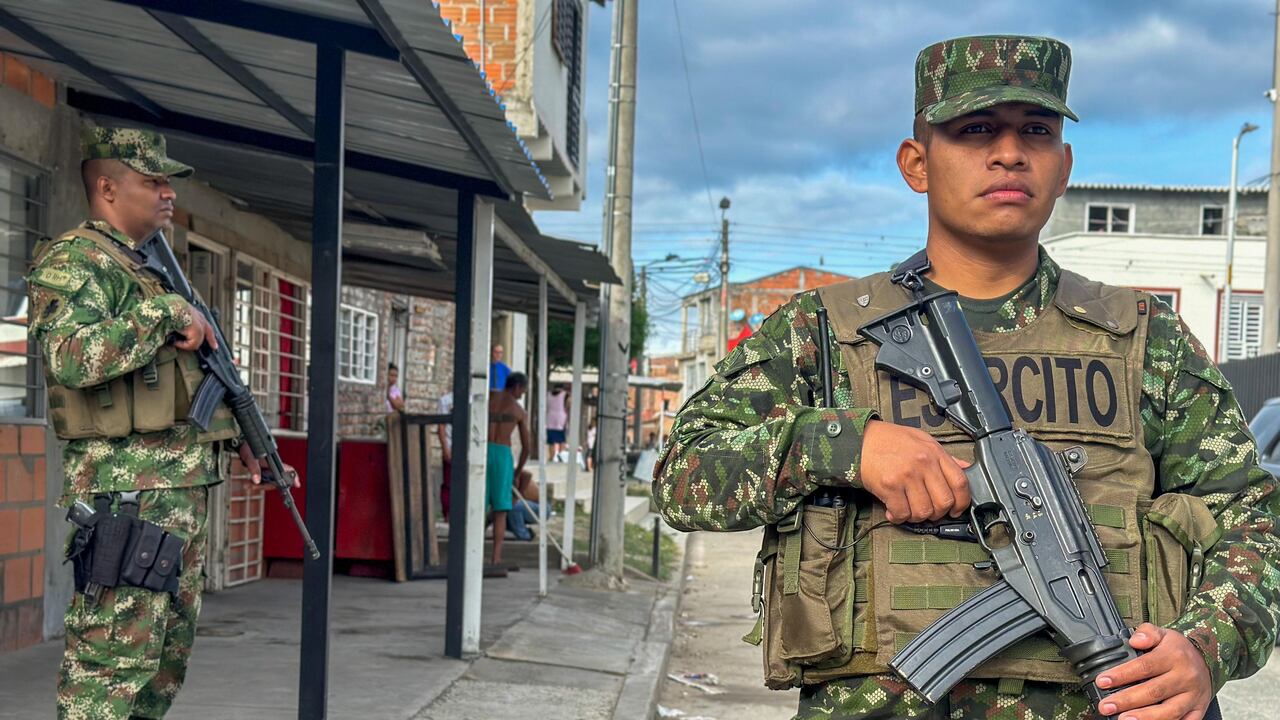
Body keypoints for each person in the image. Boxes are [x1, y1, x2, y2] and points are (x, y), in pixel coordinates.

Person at [654, 35, 1279, 720]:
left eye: (1036, 131)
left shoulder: (1144, 337)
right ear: (916, 163)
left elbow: (1252, 516)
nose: (1010, 153)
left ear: (1064, 167)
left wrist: (1205, 648)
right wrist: (844, 445)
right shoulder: (824, 333)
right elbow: (682, 473)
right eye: (976, 130)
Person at [29, 126, 294, 719]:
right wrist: (166, 312)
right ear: (107, 187)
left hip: (177, 499)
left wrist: (237, 440)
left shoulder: (149, 268)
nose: (168, 193)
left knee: (161, 669)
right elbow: (68, 356)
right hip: (128, 500)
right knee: (109, 672)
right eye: (152, 182)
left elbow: (186, 382)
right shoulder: (77, 261)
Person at [487, 372, 530, 567]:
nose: (522, 395)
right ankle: (496, 558)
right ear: (517, 387)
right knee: (501, 511)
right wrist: (517, 472)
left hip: (482, 449)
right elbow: (527, 448)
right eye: (523, 391)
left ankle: (471, 552)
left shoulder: (489, 397)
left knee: (477, 506)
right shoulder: (518, 411)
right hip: (502, 454)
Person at [436, 390, 453, 518]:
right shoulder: (445, 400)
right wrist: (445, 447)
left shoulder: (473, 400)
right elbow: (441, 426)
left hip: (467, 447)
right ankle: (447, 513)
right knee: (448, 482)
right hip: (450, 444)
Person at [545, 384, 569, 461]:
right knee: (561, 440)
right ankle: (561, 457)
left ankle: (551, 457)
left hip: (550, 419)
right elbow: (568, 405)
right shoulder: (565, 394)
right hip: (561, 419)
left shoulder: (548, 394)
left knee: (551, 442)